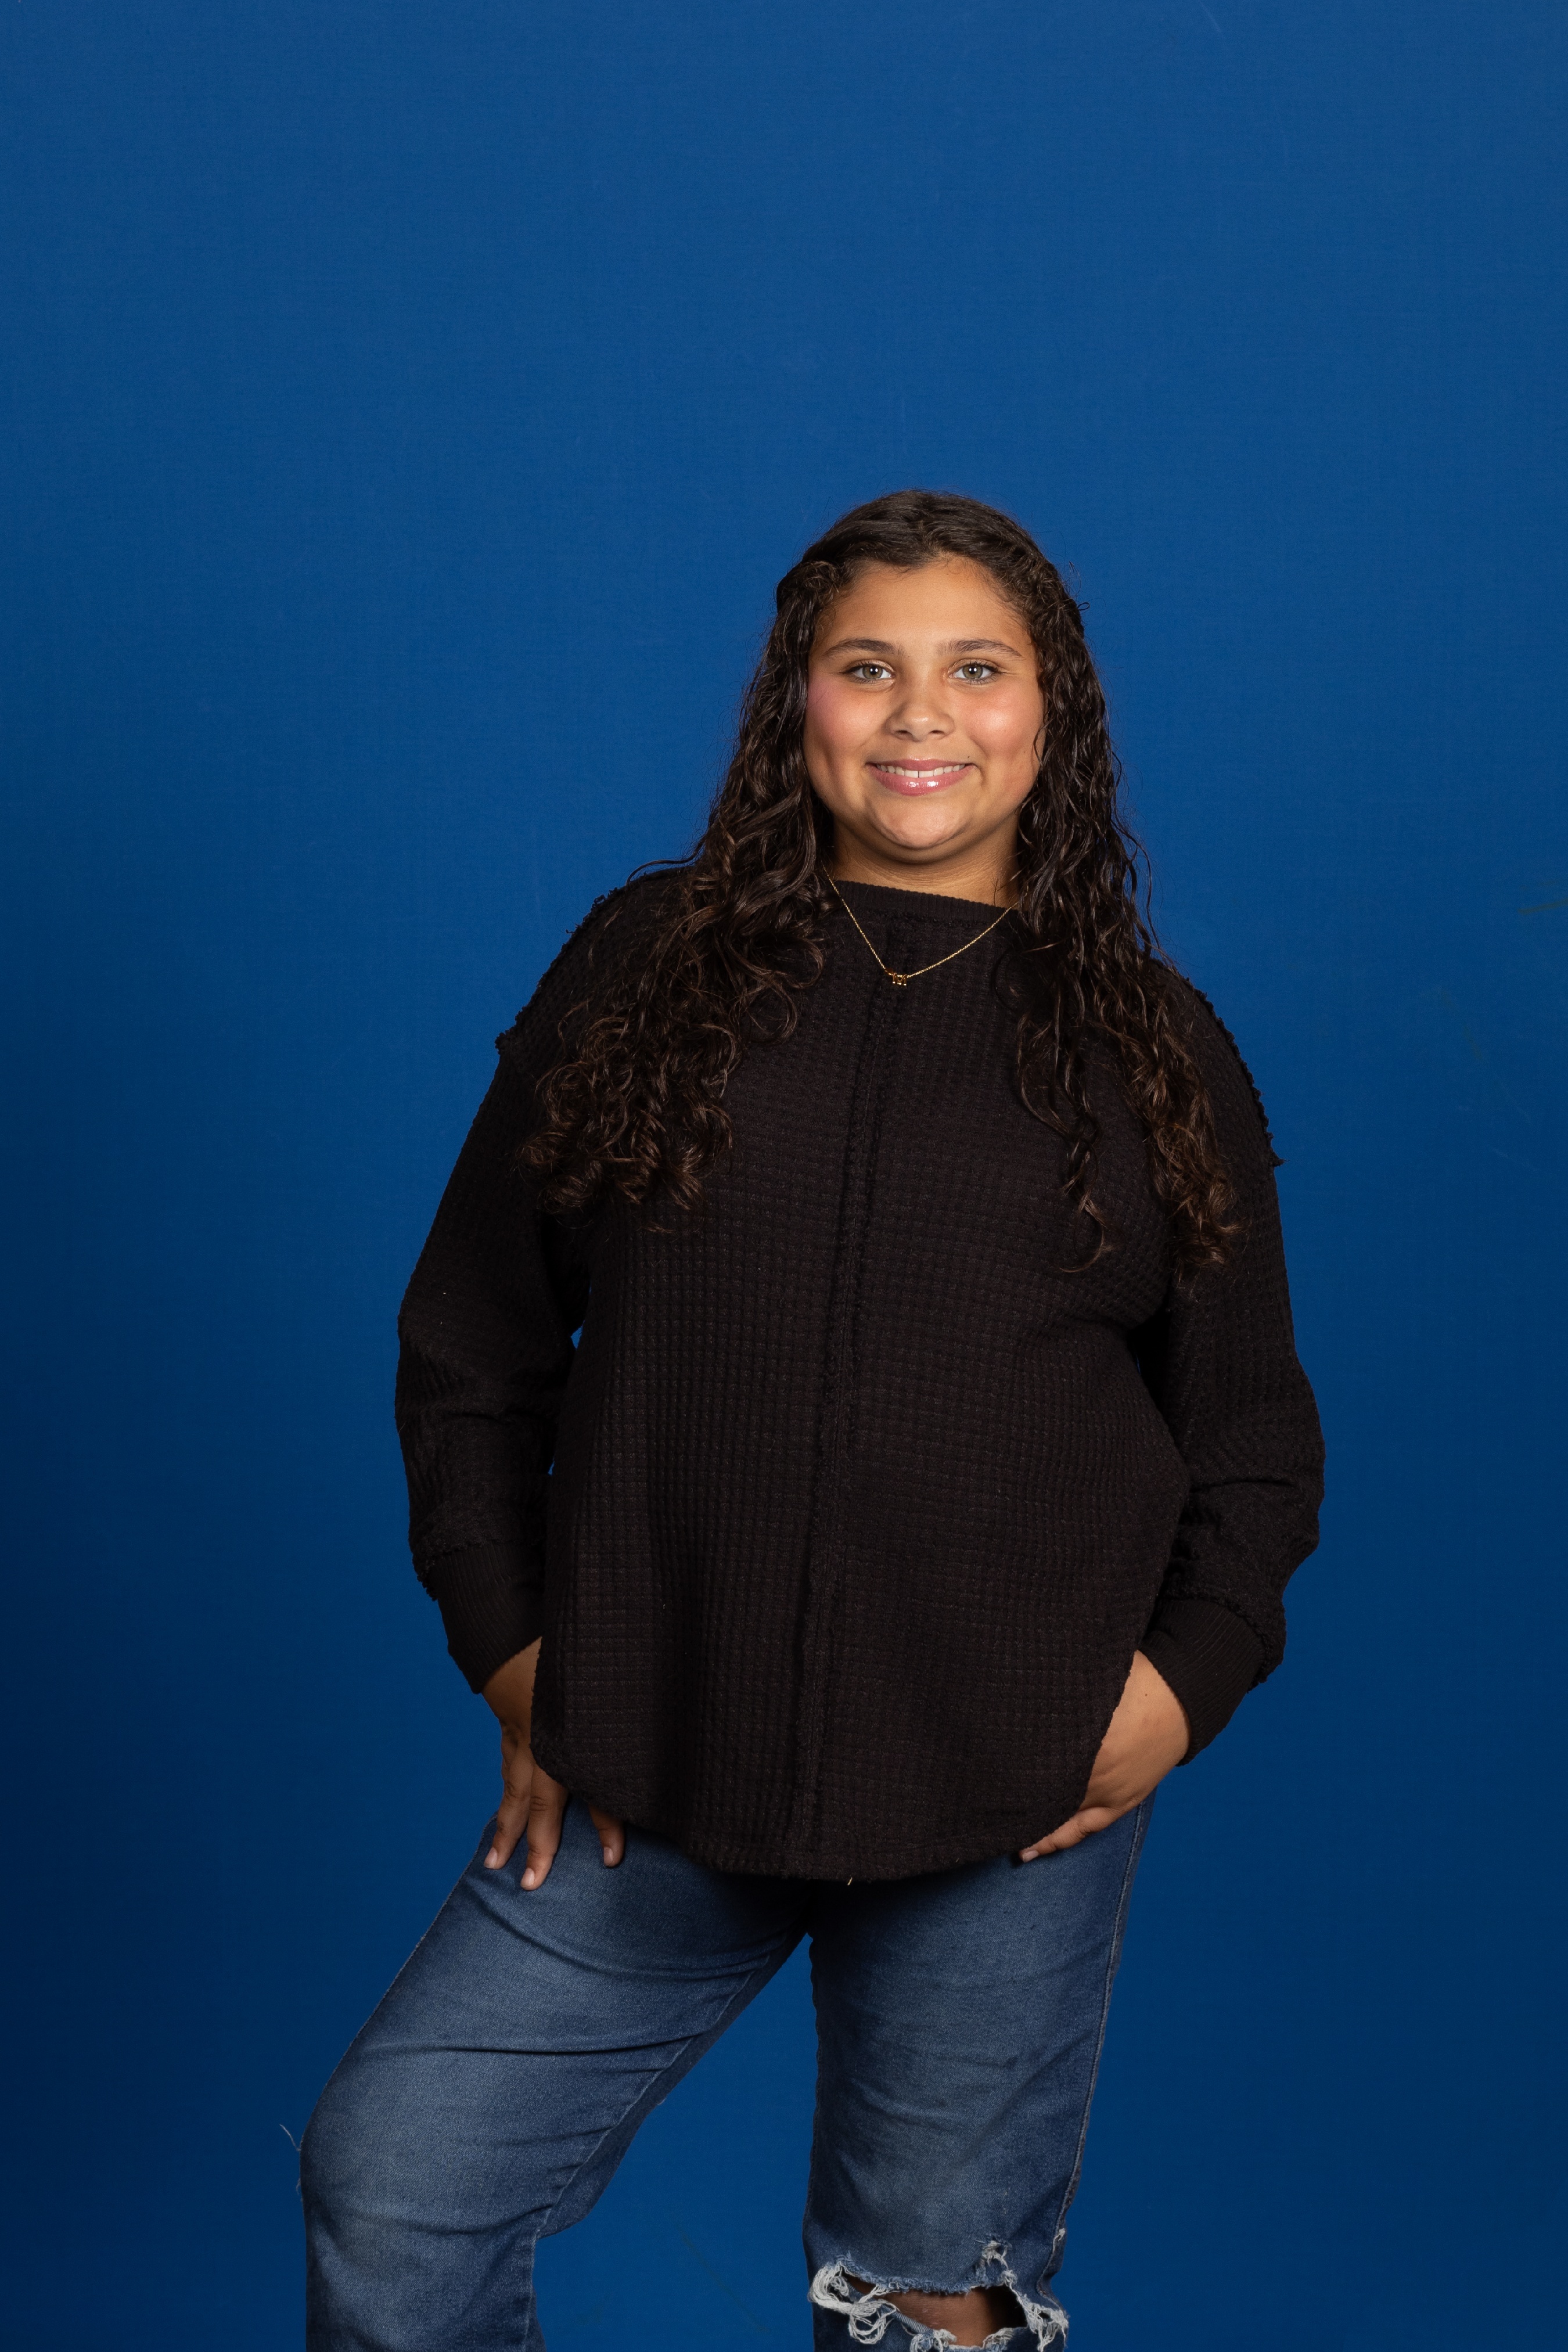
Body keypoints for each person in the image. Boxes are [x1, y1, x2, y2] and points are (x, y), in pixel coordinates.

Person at [301, 490, 1324, 2351]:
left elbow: (1251, 1439)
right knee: (395, 2178)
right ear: (798, 703)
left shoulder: (1151, 1044)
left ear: (1050, 711)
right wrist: (516, 1652)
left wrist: (1175, 1688)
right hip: (652, 1759)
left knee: (924, 2305)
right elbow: (469, 1343)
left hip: (1007, 1798)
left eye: (975, 668)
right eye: (867, 666)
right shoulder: (646, 968)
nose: (920, 713)